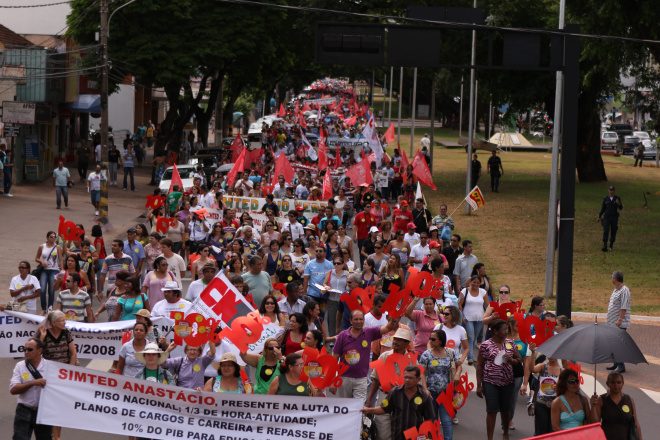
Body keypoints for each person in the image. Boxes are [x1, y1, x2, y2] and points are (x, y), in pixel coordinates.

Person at [332, 310, 399, 399]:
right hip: (344, 378)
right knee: (346, 409)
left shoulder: (369, 332)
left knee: (359, 408)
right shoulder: (342, 335)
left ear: (364, 320)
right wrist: (333, 379)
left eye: (361, 319)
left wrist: (393, 320)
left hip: (361, 379)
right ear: (351, 321)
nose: (359, 322)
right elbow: (334, 358)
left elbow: (387, 328)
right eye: (356, 319)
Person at [476, 319, 523, 440]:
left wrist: (512, 360)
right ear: (495, 331)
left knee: (506, 409)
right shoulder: (486, 345)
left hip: (507, 382)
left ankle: (505, 433)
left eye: (507, 329)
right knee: (491, 410)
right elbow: (480, 365)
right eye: (504, 330)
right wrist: (479, 385)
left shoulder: (510, 343)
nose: (506, 332)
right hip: (490, 381)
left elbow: (519, 359)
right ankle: (490, 438)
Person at [360, 365, 435, 440]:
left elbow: (428, 420)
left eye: (411, 378)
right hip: (397, 436)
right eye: (405, 377)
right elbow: (384, 409)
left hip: (415, 437)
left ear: (418, 379)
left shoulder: (425, 396)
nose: (407, 380)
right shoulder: (395, 392)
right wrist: (368, 410)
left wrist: (428, 437)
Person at [366, 327, 415, 440]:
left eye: (399, 340)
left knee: (401, 434)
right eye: (395, 339)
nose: (395, 342)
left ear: (406, 343)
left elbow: (416, 383)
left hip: (404, 399)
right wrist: (369, 400)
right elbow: (376, 380)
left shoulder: (411, 360)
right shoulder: (384, 356)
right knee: (382, 434)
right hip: (385, 397)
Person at [420, 329, 462, 440]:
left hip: (446, 392)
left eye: (433, 339)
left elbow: (459, 365)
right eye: (430, 338)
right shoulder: (426, 354)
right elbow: (422, 373)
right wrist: (425, 389)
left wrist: (457, 374)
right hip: (431, 392)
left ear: (441, 341)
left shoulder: (450, 352)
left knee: (446, 419)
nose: (430, 341)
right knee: (432, 420)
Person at [10, 337, 52, 440]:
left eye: (30, 349)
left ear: (40, 351)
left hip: (43, 411)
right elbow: (13, 390)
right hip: (24, 410)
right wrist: (32, 383)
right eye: (24, 349)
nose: (26, 352)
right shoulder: (20, 366)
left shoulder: (50, 366)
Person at [523, 342, 562, 435]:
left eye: (554, 354)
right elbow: (532, 368)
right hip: (541, 404)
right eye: (549, 353)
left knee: (552, 432)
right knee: (541, 432)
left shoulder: (562, 371)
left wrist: (559, 389)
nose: (551, 356)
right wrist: (532, 352)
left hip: (555, 406)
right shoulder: (542, 366)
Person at [590, 372, 643, 440]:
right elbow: (595, 423)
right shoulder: (601, 400)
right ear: (607, 383)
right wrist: (593, 407)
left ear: (623, 383)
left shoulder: (629, 400)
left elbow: (636, 423)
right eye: (612, 382)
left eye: (619, 383)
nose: (616, 385)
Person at [606, 270, 631, 373]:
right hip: (612, 323)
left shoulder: (624, 290)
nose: (611, 279)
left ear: (615, 279)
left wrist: (620, 319)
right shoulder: (616, 290)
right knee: (613, 344)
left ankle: (621, 365)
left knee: (618, 344)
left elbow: (623, 307)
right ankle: (616, 363)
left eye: (612, 278)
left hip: (619, 323)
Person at [460, 275, 489, 365]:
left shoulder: (483, 292)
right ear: (470, 282)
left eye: (478, 283)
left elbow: (488, 305)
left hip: (479, 318)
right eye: (474, 282)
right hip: (468, 317)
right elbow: (459, 304)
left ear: (480, 283)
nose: (476, 284)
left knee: (474, 338)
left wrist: (486, 316)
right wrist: (462, 317)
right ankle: (470, 357)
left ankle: (469, 353)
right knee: (471, 337)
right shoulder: (464, 291)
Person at [597, 186, 623, 252]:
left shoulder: (617, 198)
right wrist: (599, 216)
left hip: (614, 217)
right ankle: (605, 245)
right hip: (607, 217)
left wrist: (618, 203)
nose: (611, 191)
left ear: (614, 191)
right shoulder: (606, 199)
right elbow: (603, 208)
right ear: (608, 191)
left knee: (613, 230)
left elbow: (621, 208)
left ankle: (611, 244)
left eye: (612, 190)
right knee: (606, 230)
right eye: (610, 190)